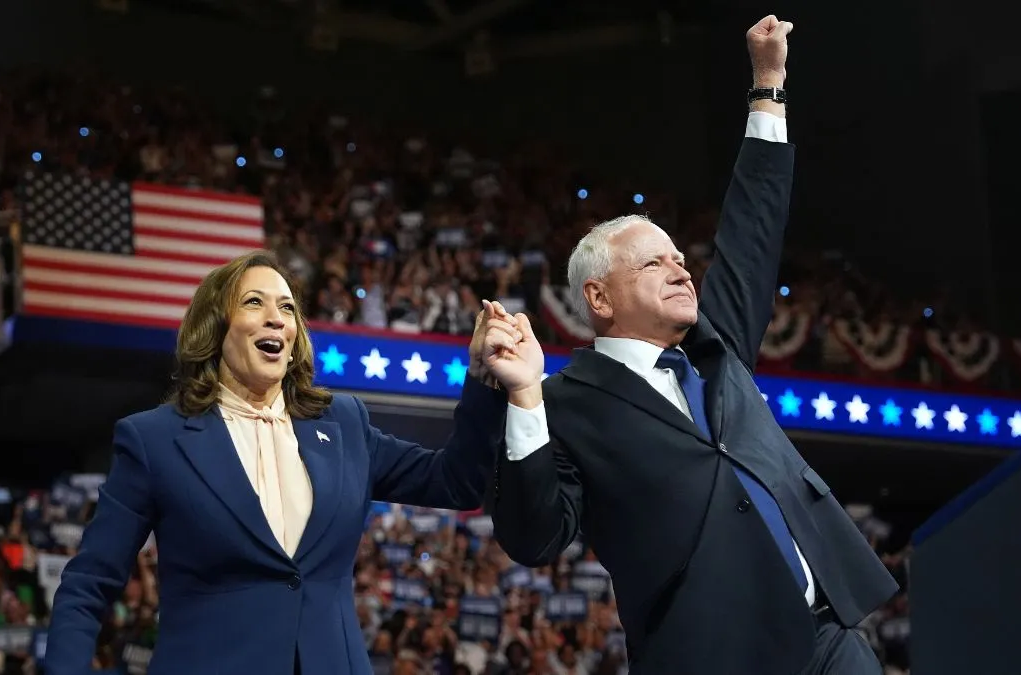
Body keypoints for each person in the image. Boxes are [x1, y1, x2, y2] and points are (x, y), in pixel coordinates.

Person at [480, 16, 898, 675]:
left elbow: (754, 227)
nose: (681, 269)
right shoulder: (563, 403)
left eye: (681, 258)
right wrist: (526, 395)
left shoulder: (715, 345)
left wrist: (768, 85)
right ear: (599, 298)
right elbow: (534, 536)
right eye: (654, 264)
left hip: (830, 641)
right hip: (709, 656)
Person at [44, 249, 532, 674]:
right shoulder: (155, 439)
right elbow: (88, 584)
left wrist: (484, 383)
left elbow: (456, 483)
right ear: (215, 327)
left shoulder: (343, 423)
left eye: (288, 308)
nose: (277, 317)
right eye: (254, 302)